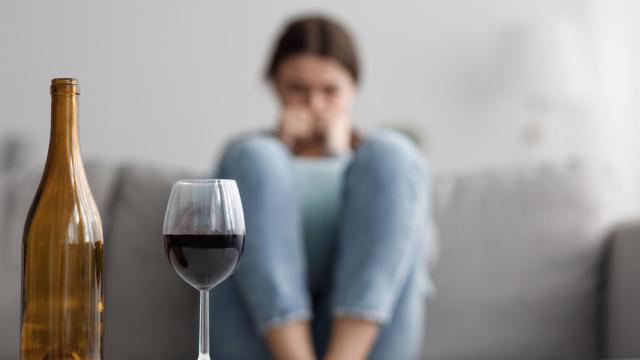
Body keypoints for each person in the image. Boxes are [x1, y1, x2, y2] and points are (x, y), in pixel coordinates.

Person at [212, 14, 432, 360]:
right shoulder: (246, 158)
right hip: (260, 336)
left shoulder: (379, 165)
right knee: (255, 157)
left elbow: (419, 252)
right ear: (275, 86)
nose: (314, 105)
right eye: (297, 89)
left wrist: (340, 155)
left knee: (394, 152)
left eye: (330, 91)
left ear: (353, 89)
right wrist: (282, 147)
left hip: (364, 344)